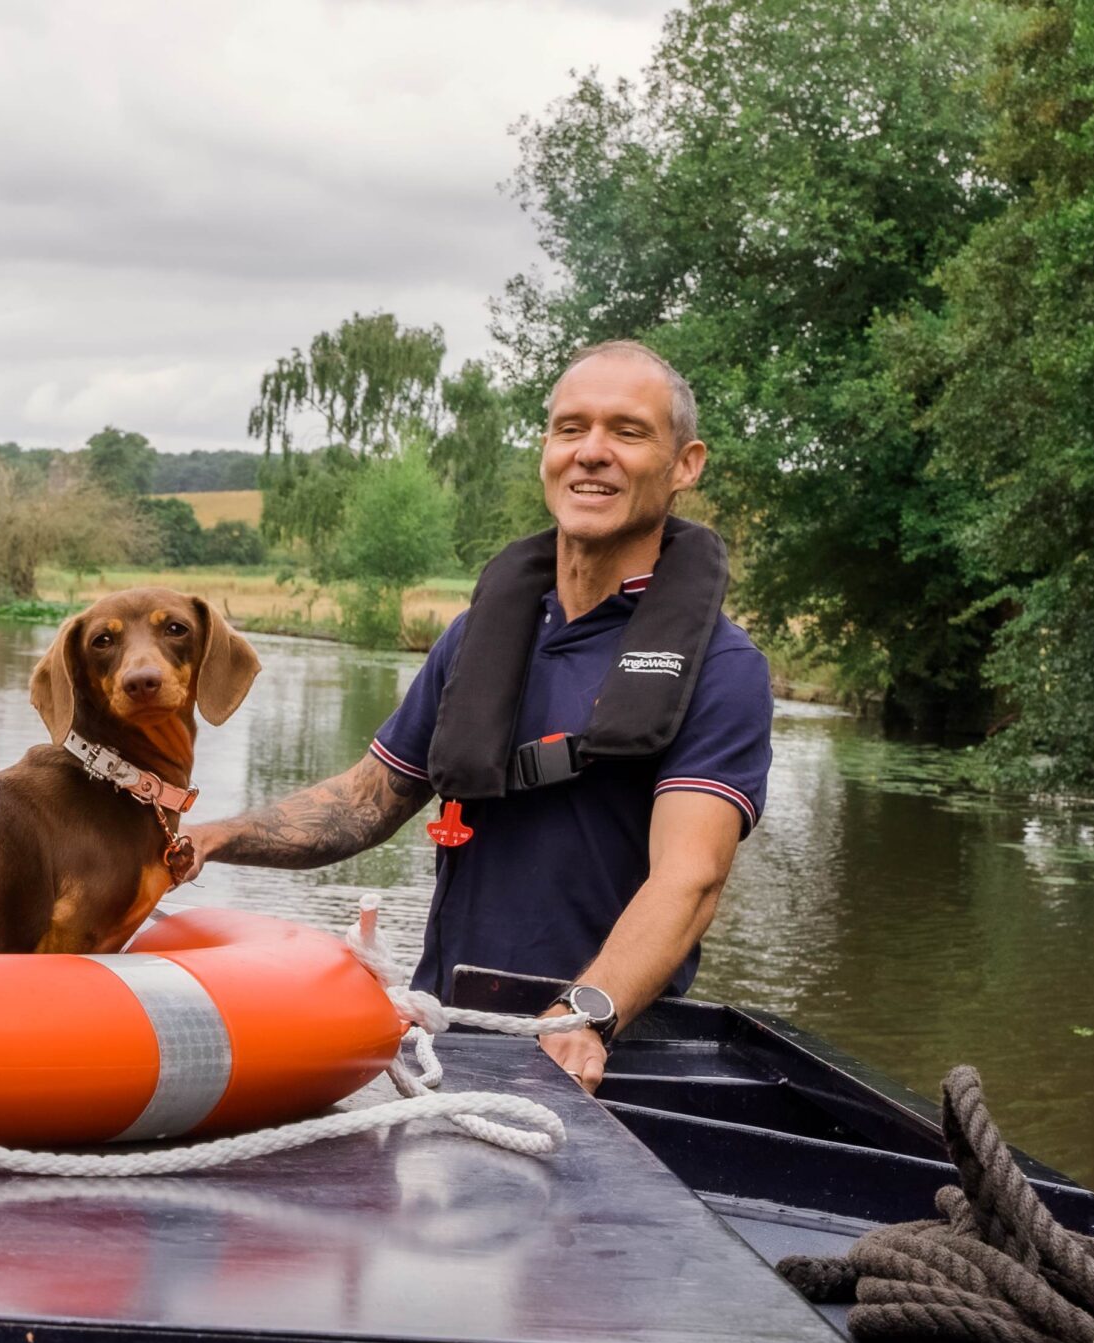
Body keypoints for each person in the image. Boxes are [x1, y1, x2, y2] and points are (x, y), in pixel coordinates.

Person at [180, 341, 773, 1093]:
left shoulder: (722, 667)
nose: (592, 453)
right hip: (446, 1035)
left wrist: (585, 1015)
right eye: (570, 429)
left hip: (596, 1057)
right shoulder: (479, 637)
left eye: (627, 432)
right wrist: (212, 837)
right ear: (546, 453)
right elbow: (365, 803)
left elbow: (690, 879)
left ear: (685, 463)